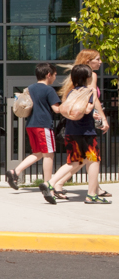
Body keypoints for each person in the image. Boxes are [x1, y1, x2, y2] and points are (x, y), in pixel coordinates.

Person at [42, 63, 110, 204]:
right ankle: (91, 195)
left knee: (74, 161)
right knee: (94, 160)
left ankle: (50, 183)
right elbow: (87, 109)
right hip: (86, 133)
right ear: (87, 78)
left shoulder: (71, 92)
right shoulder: (89, 92)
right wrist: (95, 114)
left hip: (71, 132)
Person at [7, 62, 61, 190]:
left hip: (31, 124)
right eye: (54, 75)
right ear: (48, 75)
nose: (55, 78)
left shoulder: (30, 88)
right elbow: (57, 109)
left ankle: (15, 171)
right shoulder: (49, 90)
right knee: (49, 154)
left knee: (38, 153)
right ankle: (48, 184)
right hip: (44, 125)